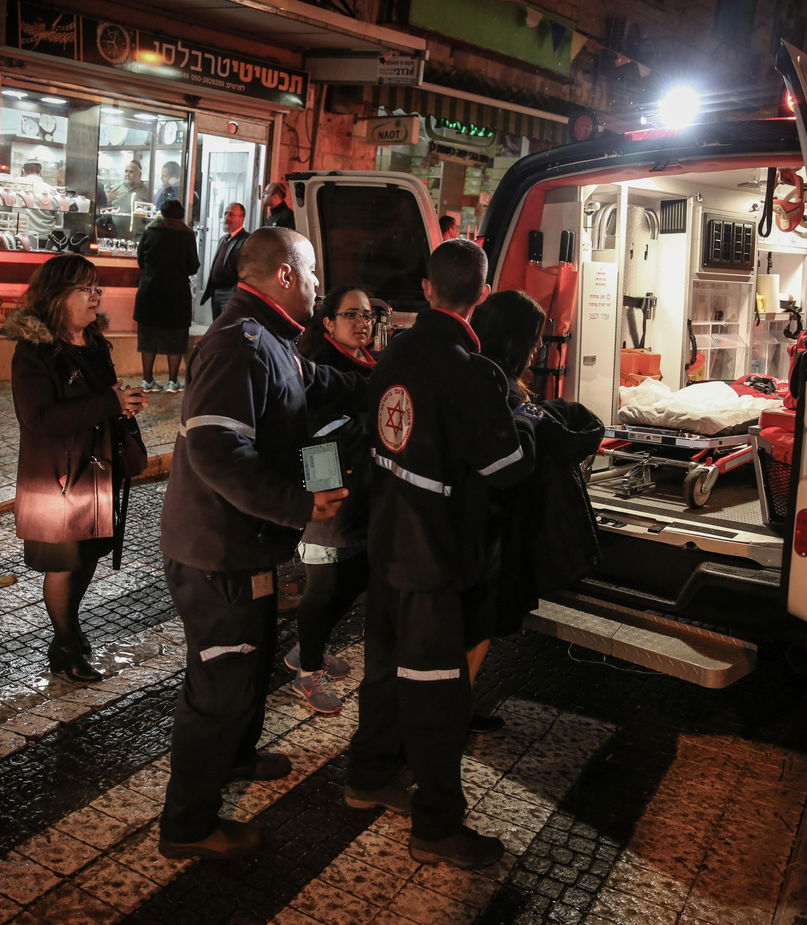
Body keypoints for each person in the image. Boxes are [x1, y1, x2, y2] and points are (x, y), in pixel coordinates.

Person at [157, 227, 362, 861]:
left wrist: (391, 382)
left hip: (251, 547)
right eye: (313, 274)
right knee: (218, 685)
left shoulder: (274, 339)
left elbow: (317, 397)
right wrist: (301, 504)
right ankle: (187, 825)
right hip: (218, 551)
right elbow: (217, 451)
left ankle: (237, 758)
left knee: (253, 659)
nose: (320, 288)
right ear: (284, 277)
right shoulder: (238, 344)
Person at [346, 239, 535, 870]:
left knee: (384, 673)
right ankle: (435, 826)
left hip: (386, 543)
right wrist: (529, 427)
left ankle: (368, 775)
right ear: (480, 296)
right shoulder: (472, 371)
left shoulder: (394, 353)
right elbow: (506, 468)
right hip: (435, 557)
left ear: (427, 289)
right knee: (437, 695)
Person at [6, 254, 148, 683]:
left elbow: (105, 398)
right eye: (84, 288)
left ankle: (68, 631)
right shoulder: (35, 352)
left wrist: (124, 405)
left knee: (88, 556)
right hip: (58, 478)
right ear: (57, 295)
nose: (96, 295)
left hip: (98, 469)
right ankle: (65, 645)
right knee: (64, 564)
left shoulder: (96, 343)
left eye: (96, 287)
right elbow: (38, 419)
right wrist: (110, 402)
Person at [467, 290, 603, 722]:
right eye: (534, 339)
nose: (539, 348)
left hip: (466, 527)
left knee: (472, 624)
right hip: (490, 531)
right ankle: (453, 711)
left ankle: (452, 706)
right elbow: (546, 446)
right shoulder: (501, 390)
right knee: (479, 625)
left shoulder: (473, 375)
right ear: (514, 340)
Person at [286, 286, 378, 714]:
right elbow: (311, 436)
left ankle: (307, 647)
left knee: (357, 574)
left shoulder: (368, 364)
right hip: (331, 492)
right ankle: (307, 672)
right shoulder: (320, 367)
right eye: (351, 315)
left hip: (362, 491)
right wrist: (321, 498)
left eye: (368, 315)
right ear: (328, 322)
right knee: (323, 587)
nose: (363, 323)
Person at [134, 199, 198, 392]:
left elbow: (140, 260)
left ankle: (147, 380)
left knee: (148, 336)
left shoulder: (150, 231)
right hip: (176, 293)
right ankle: (172, 381)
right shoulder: (187, 236)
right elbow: (193, 265)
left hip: (150, 291)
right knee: (176, 337)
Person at [200, 202, 248, 320]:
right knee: (216, 327)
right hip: (216, 292)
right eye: (225, 213)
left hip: (230, 294)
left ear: (242, 218)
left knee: (225, 329)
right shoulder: (223, 239)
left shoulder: (246, 240)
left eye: (231, 215)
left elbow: (246, 270)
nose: (226, 218)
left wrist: (235, 293)